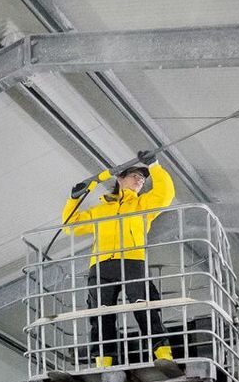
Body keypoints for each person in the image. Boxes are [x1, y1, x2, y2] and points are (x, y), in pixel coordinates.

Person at [63, 151, 175, 368]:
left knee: (145, 307)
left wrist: (155, 166)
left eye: (142, 178)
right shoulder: (100, 210)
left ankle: (163, 355)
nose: (140, 180)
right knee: (101, 314)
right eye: (134, 175)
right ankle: (103, 363)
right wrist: (74, 199)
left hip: (132, 262)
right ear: (119, 179)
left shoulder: (143, 205)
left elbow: (166, 194)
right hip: (101, 265)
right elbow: (70, 226)